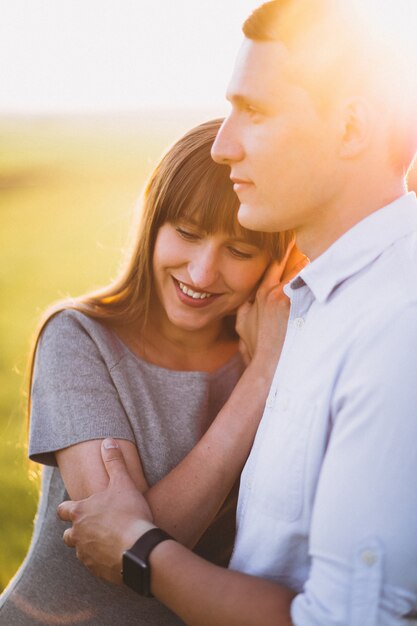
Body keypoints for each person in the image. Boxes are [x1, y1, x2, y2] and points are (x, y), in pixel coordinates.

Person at [56, 1, 417, 625]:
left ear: (353, 129)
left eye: (255, 111)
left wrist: (140, 550)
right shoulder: (305, 305)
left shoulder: (396, 324)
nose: (223, 145)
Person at [0, 118, 297, 625]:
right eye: (187, 233)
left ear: (276, 263)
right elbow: (122, 548)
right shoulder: (77, 337)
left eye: (240, 250)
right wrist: (262, 376)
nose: (203, 273)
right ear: (152, 222)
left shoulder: (280, 349)